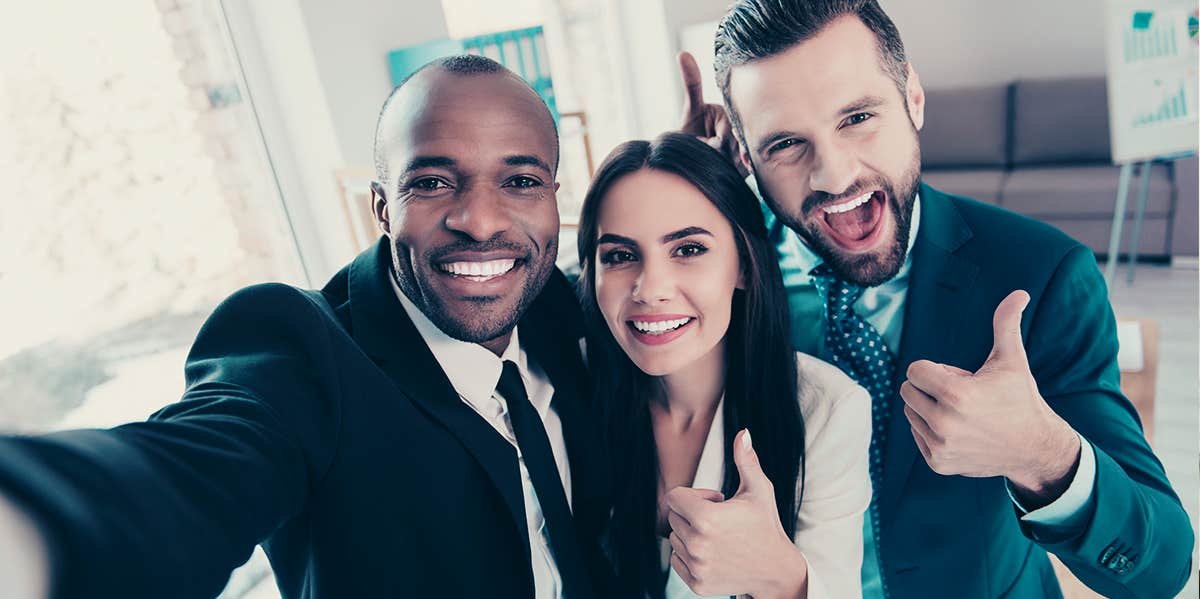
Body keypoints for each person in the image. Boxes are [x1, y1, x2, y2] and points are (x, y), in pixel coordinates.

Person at [0, 55, 616, 599]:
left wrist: (710, 179)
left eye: (519, 181)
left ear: (553, 198)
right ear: (381, 207)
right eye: (430, 182)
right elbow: (191, 471)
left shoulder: (559, 307)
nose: (481, 222)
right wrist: (34, 528)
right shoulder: (301, 348)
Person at [674, 1, 1195, 597]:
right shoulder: (711, 276)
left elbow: (1161, 568)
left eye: (858, 117)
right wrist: (680, 197)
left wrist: (1042, 455)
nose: (834, 176)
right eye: (786, 143)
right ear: (746, 155)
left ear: (913, 98)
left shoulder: (1043, 274)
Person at [575, 132, 871, 599]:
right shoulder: (568, 382)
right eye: (620, 256)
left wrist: (781, 578)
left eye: (689, 249)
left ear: (745, 267)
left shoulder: (826, 408)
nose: (650, 289)